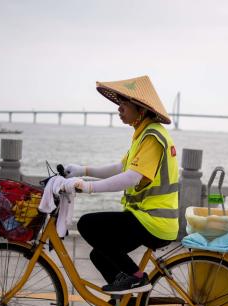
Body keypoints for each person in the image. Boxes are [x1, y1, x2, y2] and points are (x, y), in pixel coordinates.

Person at [65, 75, 179, 294]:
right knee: (99, 254)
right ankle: (127, 304)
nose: (119, 108)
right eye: (119, 103)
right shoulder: (143, 134)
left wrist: (88, 187)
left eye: (124, 104)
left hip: (153, 222)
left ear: (142, 109)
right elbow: (121, 168)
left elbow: (131, 178)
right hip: (145, 218)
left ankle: (137, 278)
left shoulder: (153, 137)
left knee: (88, 225)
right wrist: (83, 170)